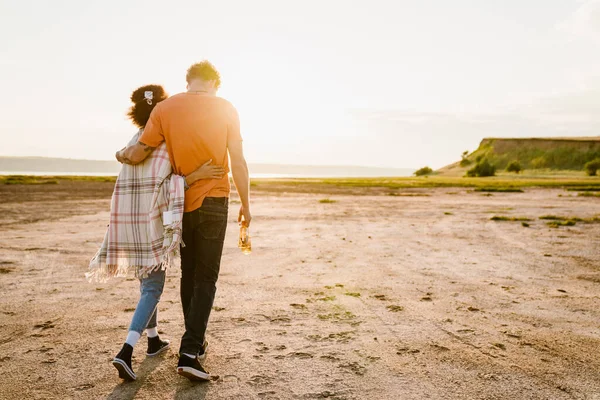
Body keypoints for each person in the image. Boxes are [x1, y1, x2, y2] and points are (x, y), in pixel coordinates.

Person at [116, 61, 251, 381]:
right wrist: (246, 204)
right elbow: (238, 160)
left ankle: (196, 344)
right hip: (215, 199)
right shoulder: (226, 108)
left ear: (188, 81)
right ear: (215, 83)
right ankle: (189, 352)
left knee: (189, 275)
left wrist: (120, 155)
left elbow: (138, 153)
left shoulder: (165, 108)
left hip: (180, 206)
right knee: (206, 277)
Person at [87, 84, 224, 382]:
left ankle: (153, 340)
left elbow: (133, 169)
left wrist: (119, 153)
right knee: (152, 289)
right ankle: (126, 351)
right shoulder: (164, 144)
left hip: (128, 222)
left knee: (148, 283)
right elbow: (166, 190)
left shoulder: (134, 142)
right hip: (151, 226)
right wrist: (196, 177)